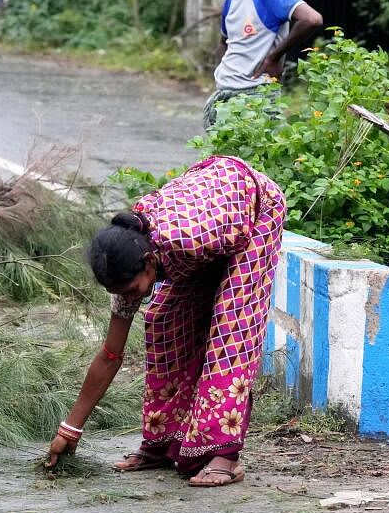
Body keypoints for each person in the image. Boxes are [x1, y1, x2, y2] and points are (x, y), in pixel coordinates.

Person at [45, 155, 285, 487]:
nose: (130, 298)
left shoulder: (191, 239)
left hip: (253, 211)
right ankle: (163, 443)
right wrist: (70, 429)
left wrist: (219, 301)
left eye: (132, 290)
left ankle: (224, 457)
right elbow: (110, 354)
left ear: (149, 263)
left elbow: (231, 255)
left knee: (229, 332)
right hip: (210, 225)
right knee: (162, 322)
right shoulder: (129, 260)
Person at [203, 0, 323, 129]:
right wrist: (221, 70)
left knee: (255, 158)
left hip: (256, 97)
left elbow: (312, 19)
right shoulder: (230, 0)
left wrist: (273, 58)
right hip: (224, 94)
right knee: (225, 159)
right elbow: (225, 42)